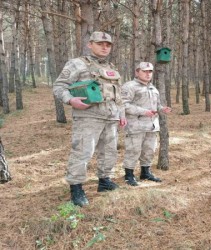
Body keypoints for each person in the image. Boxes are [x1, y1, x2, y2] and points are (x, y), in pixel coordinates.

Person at [53, 31, 127, 207]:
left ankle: (104, 181)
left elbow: (119, 94)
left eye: (108, 45)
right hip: (88, 117)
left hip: (110, 117)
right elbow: (59, 86)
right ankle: (76, 188)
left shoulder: (111, 67)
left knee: (110, 152)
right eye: (100, 43)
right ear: (90, 44)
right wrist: (70, 100)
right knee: (83, 152)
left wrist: (122, 113)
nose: (104, 47)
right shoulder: (77, 64)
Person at [121, 62, 171, 186]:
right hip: (136, 125)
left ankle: (145, 172)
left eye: (150, 71)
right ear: (137, 72)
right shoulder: (130, 86)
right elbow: (123, 104)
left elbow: (156, 105)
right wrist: (144, 112)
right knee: (133, 150)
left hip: (151, 126)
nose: (148, 74)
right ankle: (129, 175)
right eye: (144, 71)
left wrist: (162, 109)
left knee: (149, 150)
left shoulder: (153, 88)